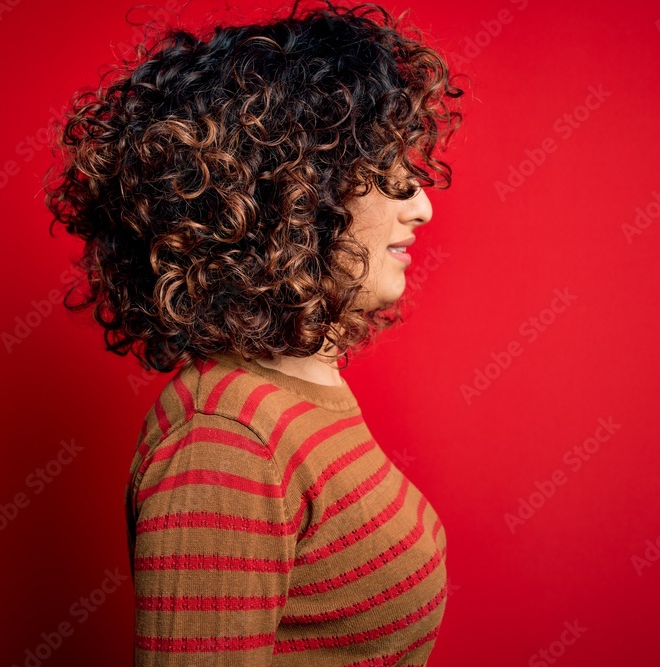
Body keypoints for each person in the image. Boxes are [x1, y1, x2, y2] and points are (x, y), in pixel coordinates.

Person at [44, 0, 463, 663]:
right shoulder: (226, 439)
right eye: (389, 172)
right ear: (297, 193)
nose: (424, 204)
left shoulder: (298, 390)